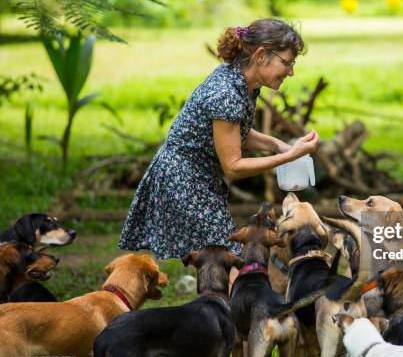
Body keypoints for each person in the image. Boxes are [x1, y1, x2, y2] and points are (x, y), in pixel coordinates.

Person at [118, 18, 319, 261]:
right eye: (286, 63)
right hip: (182, 182)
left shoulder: (244, 82)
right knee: (229, 260)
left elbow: (235, 133)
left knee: (218, 262)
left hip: (198, 178)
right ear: (261, 55)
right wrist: (289, 156)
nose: (291, 71)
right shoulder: (227, 93)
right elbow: (233, 167)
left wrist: (278, 145)